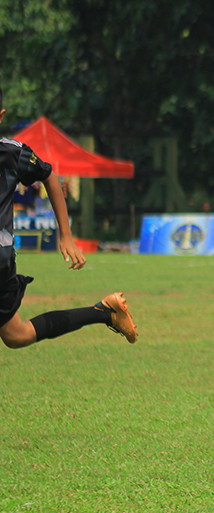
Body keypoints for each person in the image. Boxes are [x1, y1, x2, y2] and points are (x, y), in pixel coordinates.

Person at [0, 86, 136, 348]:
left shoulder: (12, 153)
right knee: (17, 335)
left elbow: (49, 175)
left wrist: (66, 235)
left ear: (1, 117)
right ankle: (104, 312)